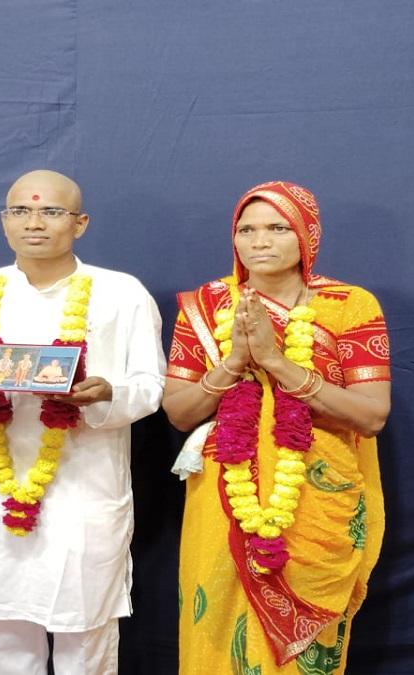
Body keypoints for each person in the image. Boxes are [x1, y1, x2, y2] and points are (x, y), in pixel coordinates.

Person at [0, 170, 166, 674]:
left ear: (80, 223)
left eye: (51, 212)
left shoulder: (121, 292)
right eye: (19, 211)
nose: (34, 223)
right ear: (4, 222)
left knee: (84, 635)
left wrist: (108, 393)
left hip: (84, 488)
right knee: (4, 634)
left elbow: (152, 387)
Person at [161, 182, 391, 674]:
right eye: (247, 230)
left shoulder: (350, 305)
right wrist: (234, 363)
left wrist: (275, 363)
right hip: (226, 493)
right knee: (217, 622)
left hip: (317, 494)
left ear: (306, 235)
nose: (259, 241)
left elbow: (371, 416)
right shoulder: (208, 307)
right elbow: (180, 413)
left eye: (276, 228)